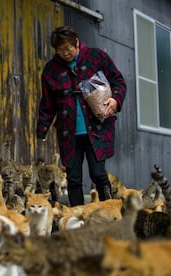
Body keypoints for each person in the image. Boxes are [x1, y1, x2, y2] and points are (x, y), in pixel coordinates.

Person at [36, 26, 126, 206]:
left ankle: (109, 211)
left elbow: (118, 81)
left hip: (97, 127)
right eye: (61, 50)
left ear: (76, 41)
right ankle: (77, 218)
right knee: (73, 178)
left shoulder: (96, 57)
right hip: (69, 132)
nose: (66, 53)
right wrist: (42, 128)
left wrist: (115, 100)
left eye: (68, 48)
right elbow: (47, 103)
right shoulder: (51, 70)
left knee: (98, 174)